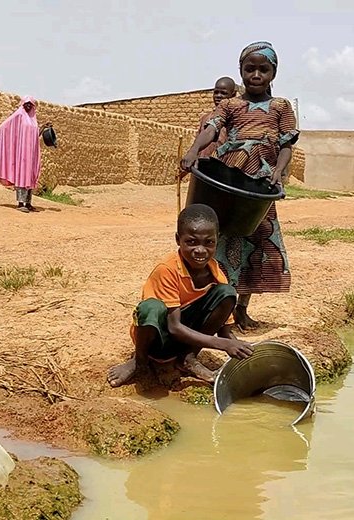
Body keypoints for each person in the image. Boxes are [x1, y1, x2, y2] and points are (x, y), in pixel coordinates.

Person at [182, 41, 298, 331]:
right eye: (249, 69)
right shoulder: (231, 105)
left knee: (256, 248)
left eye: (263, 69)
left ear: (273, 72)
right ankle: (218, 312)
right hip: (229, 183)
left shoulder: (281, 107)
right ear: (241, 71)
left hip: (259, 187)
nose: (256, 75)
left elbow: (286, 144)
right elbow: (211, 129)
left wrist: (279, 172)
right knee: (222, 245)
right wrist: (194, 150)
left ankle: (242, 310)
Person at [108, 204, 254, 388]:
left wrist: (245, 352)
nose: (200, 250)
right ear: (178, 239)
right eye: (191, 242)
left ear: (217, 241)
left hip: (187, 340)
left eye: (208, 242)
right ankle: (139, 361)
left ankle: (188, 357)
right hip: (158, 340)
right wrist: (222, 344)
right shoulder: (167, 270)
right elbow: (174, 327)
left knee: (227, 293)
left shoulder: (217, 274)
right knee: (151, 308)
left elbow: (224, 331)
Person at [0, 97, 51, 212]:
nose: (28, 106)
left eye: (30, 104)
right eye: (26, 103)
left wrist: (44, 127)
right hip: (22, 153)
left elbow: (35, 136)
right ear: (22, 104)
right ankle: (20, 204)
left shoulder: (33, 119)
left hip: (32, 154)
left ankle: (28, 203)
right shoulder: (19, 115)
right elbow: (4, 126)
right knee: (22, 176)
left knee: (29, 177)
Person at [197, 77, 236, 158]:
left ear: (233, 95)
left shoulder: (235, 119)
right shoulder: (205, 118)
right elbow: (198, 143)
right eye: (216, 92)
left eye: (223, 93)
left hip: (222, 165)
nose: (218, 96)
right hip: (202, 165)